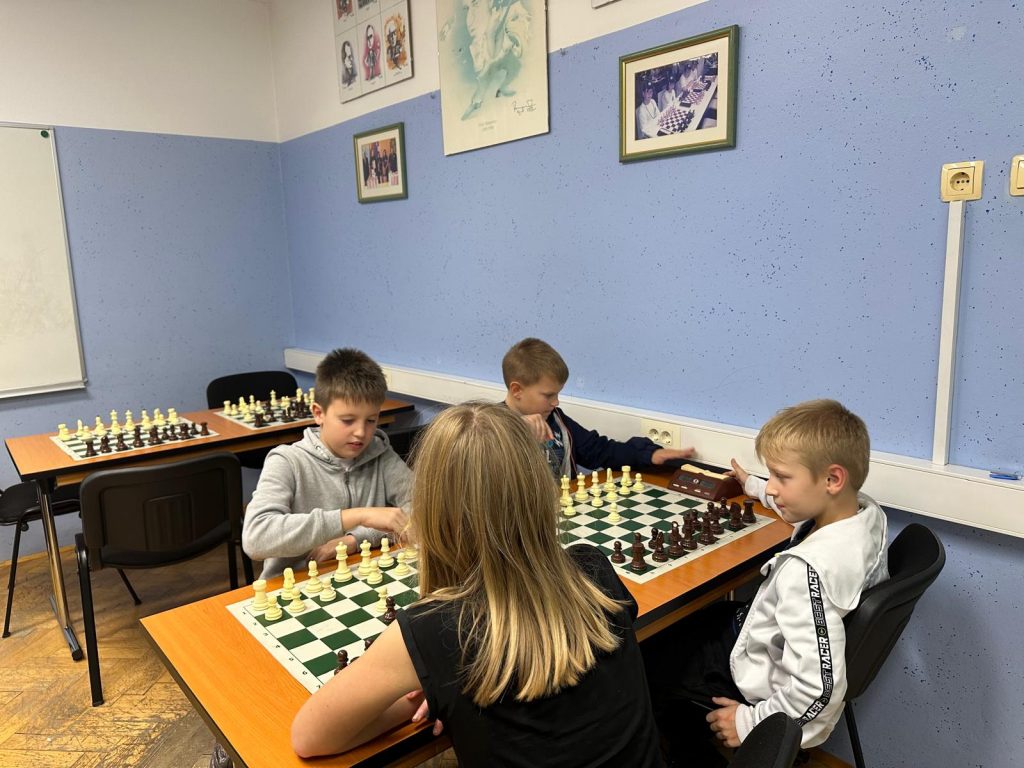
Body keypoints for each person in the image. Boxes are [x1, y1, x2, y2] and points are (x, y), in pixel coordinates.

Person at [291, 402, 665, 766]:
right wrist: (439, 684)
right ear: (540, 490)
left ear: (431, 509)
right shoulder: (594, 567)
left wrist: (432, 687)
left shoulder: (434, 627)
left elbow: (309, 738)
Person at [641, 399, 889, 765]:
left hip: (750, 671)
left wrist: (749, 723)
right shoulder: (865, 514)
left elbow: (819, 690)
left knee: (643, 659)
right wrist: (754, 486)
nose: (772, 488)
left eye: (782, 478)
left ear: (833, 480)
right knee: (694, 623)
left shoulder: (807, 572)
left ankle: (691, 750)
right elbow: (804, 506)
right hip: (758, 637)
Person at [242, 348, 410, 580]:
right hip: (295, 583)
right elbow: (256, 538)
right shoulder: (287, 461)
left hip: (359, 575)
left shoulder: (381, 454)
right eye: (348, 420)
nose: (361, 433)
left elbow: (421, 511)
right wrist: (356, 516)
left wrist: (356, 538)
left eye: (371, 420)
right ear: (318, 413)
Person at [502, 337, 694, 478]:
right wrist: (516, 430)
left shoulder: (556, 419)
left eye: (557, 394)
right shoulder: (491, 429)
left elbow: (600, 451)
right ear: (517, 390)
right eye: (548, 395)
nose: (556, 402)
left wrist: (649, 454)